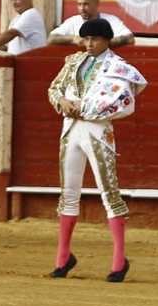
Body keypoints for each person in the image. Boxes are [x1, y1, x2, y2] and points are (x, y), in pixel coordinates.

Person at [47, 18, 145, 282]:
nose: (89, 44)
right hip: (71, 130)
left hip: (98, 131)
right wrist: (64, 101)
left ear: (107, 40)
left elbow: (124, 101)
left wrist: (86, 109)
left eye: (94, 39)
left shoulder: (118, 67)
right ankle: (63, 256)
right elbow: (54, 89)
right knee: (68, 193)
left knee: (108, 192)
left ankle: (119, 259)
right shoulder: (73, 62)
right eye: (86, 39)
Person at [50, 0, 133, 48]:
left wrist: (103, 42)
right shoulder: (72, 21)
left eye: (86, 4)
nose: (82, 8)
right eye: (79, 4)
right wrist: (72, 37)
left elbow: (130, 39)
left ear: (96, 3)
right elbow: (51, 39)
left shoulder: (111, 20)